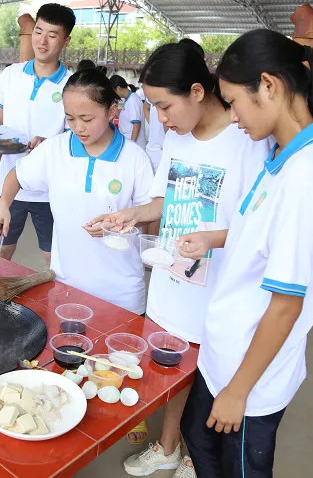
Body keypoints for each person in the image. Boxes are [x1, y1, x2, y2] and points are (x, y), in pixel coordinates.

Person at [175, 29, 313, 477]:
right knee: (196, 436)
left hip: (249, 375)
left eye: (233, 101)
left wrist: (237, 393)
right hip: (226, 353)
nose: (233, 117)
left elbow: (286, 304)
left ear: (269, 86)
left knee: (237, 466)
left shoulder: (305, 178)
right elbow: (260, 233)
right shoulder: (284, 156)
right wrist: (215, 238)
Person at [98, 40, 269, 478]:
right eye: (152, 107)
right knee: (171, 368)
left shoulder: (247, 139)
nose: (161, 118)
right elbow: (164, 199)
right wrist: (132, 215)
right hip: (174, 277)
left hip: (218, 286)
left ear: (197, 91)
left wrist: (213, 239)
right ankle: (169, 446)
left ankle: (195, 453)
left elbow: (265, 227)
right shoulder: (178, 139)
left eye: (164, 105)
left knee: (209, 379)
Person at [0, 69, 153, 313]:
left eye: (87, 119)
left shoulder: (134, 158)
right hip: (66, 286)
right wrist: (4, 205)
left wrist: (123, 224)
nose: (78, 127)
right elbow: (15, 176)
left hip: (121, 293)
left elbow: (151, 218)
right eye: (70, 118)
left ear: (111, 111)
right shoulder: (55, 149)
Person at [0, 3, 76, 263]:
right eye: (38, 31)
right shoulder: (11, 74)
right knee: (2, 250)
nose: (42, 41)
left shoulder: (72, 84)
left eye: (52, 35)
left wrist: (50, 144)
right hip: (8, 183)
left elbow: (77, 135)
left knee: (52, 255)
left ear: (66, 40)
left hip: (49, 188)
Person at [110, 74, 147, 150]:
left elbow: (136, 125)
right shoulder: (129, 100)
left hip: (134, 145)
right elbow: (129, 121)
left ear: (118, 88)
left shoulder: (133, 100)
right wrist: (118, 114)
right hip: (129, 142)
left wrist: (132, 145)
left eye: (113, 92)